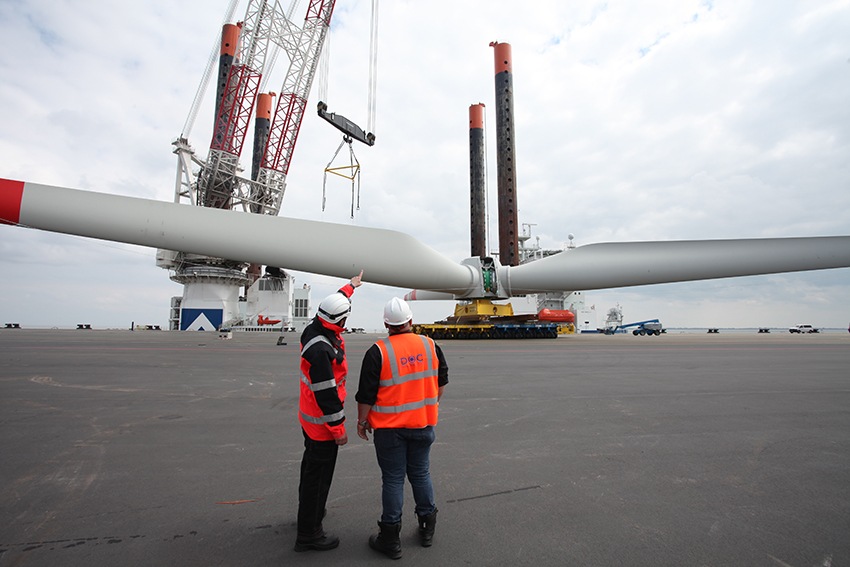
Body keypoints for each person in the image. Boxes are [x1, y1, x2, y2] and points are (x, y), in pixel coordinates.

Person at [356, 297, 449, 559]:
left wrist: (362, 421)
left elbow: (366, 395)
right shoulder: (430, 345)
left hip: (389, 429)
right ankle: (427, 528)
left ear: (386, 323)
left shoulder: (378, 351)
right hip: (423, 424)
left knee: (394, 479)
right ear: (410, 321)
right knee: (420, 474)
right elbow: (440, 383)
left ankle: (390, 539)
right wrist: (426, 407)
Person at [294, 270, 363, 552]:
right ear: (340, 321)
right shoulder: (321, 350)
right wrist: (338, 430)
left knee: (310, 468)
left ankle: (308, 515)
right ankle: (309, 533)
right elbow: (326, 394)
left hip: (309, 417)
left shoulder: (316, 326)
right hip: (322, 423)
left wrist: (351, 287)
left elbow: (335, 303)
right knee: (318, 477)